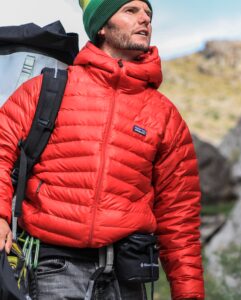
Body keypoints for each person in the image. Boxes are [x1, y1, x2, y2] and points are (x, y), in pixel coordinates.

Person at [0, 0, 205, 299]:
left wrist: (190, 294)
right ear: (102, 27)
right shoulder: (47, 89)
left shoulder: (164, 115)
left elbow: (179, 216)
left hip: (127, 278)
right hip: (54, 269)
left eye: (148, 14)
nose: (144, 20)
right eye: (131, 11)